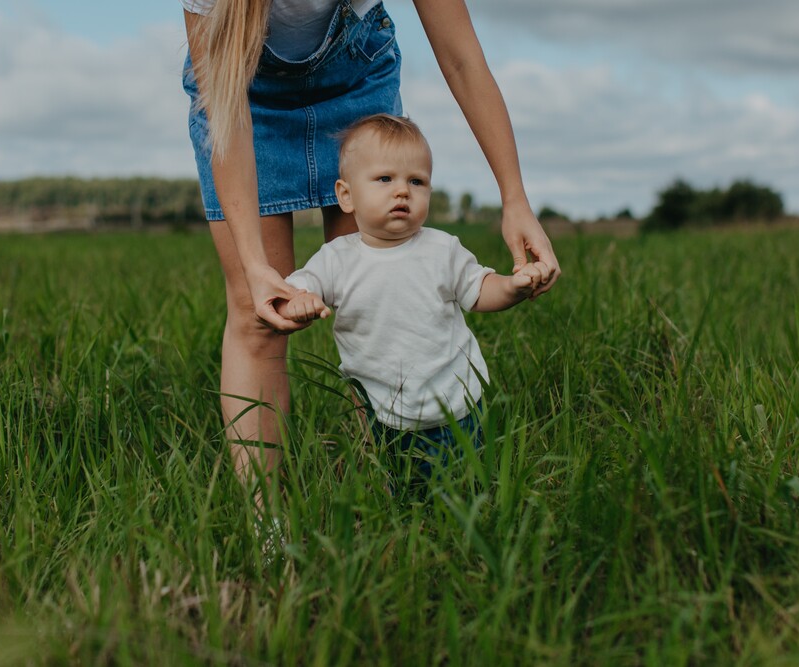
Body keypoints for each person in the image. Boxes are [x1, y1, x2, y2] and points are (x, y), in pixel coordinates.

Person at [181, 0, 561, 504]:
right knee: (258, 316)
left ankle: (386, 493)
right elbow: (225, 109)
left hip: (356, 76)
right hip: (244, 96)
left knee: (378, 287)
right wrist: (255, 266)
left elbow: (462, 57)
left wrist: (514, 197)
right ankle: (266, 520)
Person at [276, 114, 548, 479]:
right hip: (381, 409)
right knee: (396, 483)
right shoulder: (336, 259)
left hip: (458, 402)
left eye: (416, 181)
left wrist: (513, 286)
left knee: (466, 483)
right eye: (385, 179)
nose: (402, 190)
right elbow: (299, 286)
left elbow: (479, 289)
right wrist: (300, 301)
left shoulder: (442, 249)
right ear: (346, 195)